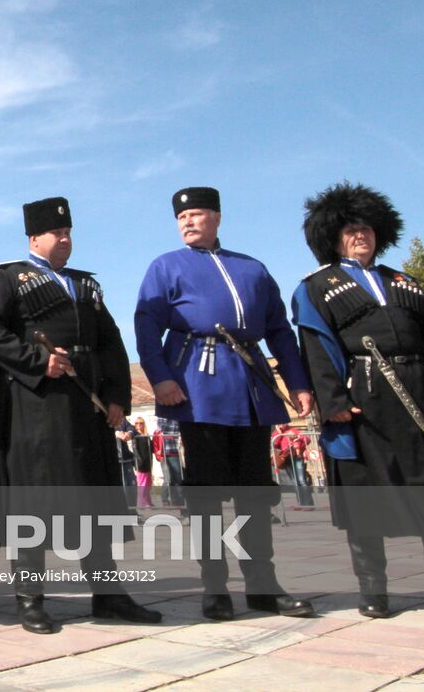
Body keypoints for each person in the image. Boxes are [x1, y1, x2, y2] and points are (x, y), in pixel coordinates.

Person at [292, 181, 424, 618]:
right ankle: (374, 591)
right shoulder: (317, 287)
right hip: (367, 399)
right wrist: (334, 401)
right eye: (349, 229)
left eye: (366, 228)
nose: (360, 235)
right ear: (332, 236)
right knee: (367, 494)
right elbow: (316, 347)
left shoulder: (404, 282)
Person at [0, 197, 161, 633]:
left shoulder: (86, 286)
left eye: (69, 232)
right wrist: (37, 361)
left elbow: (112, 343)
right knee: (33, 498)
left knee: (94, 496)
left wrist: (117, 397)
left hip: (85, 403)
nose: (65, 239)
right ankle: (30, 598)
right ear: (33, 237)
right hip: (34, 404)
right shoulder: (9, 278)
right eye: (56, 233)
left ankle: (109, 594)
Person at [135, 186, 316, 621]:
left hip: (252, 385)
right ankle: (214, 587)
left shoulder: (251, 268)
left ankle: (263, 585)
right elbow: (145, 326)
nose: (188, 223)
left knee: (256, 492)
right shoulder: (165, 267)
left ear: (216, 216)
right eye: (181, 218)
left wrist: (298, 382)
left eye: (196, 215)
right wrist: (160, 378)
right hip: (197, 385)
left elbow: (280, 331)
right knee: (207, 493)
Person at [270, 424, 314, 509]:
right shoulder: (276, 433)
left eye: (283, 422)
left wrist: (297, 438)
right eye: (280, 423)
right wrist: (279, 433)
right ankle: (300, 503)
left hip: (297, 457)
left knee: (301, 480)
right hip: (286, 458)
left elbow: (307, 439)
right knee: (294, 481)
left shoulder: (293, 430)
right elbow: (275, 444)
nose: (282, 424)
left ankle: (308, 504)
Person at [152, 416, 185, 507]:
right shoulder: (162, 418)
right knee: (169, 478)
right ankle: (169, 500)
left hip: (177, 451)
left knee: (177, 478)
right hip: (165, 452)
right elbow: (162, 428)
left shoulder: (177, 417)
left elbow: (176, 430)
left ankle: (177, 501)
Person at [133, 417, 155, 508]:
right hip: (141, 463)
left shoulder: (146, 435)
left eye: (141, 423)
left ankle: (148, 501)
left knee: (148, 483)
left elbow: (151, 449)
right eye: (137, 423)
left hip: (148, 462)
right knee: (142, 484)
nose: (139, 425)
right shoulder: (135, 436)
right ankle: (143, 503)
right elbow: (135, 450)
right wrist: (138, 461)